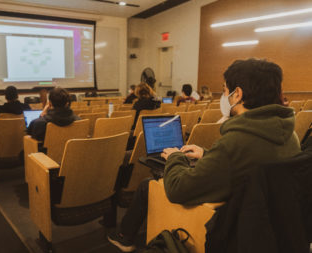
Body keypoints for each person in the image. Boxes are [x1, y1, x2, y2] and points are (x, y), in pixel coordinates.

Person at [107, 58, 301, 252]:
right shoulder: (289, 135)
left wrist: (176, 157)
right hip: (270, 229)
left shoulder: (235, 142)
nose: (224, 96)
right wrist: (207, 154)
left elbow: (179, 190)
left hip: (224, 228)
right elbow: (248, 165)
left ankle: (124, 237)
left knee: (149, 184)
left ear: (238, 94)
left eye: (225, 90)